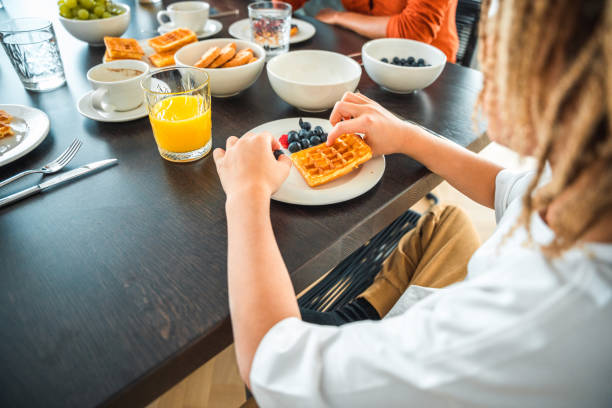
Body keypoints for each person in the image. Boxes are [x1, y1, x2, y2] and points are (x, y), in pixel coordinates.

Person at [212, 0, 612, 406]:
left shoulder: (527, 323)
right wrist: (406, 135)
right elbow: (509, 189)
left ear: (565, 73)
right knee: (447, 220)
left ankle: (352, 339)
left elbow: (273, 360)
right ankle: (366, 317)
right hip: (456, 333)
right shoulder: (590, 183)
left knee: (232, 345)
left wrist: (246, 195)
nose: (484, 54)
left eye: (500, 34)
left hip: (431, 366)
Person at [286, 0, 459, 62]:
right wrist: (272, 13)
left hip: (427, 69)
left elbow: (413, 31)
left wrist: (339, 17)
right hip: (360, 57)